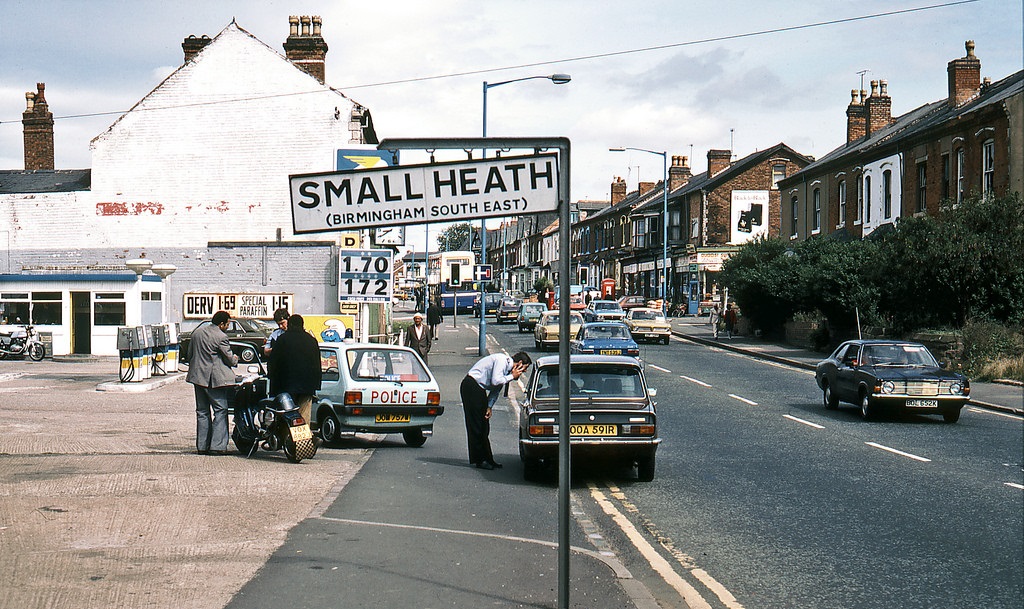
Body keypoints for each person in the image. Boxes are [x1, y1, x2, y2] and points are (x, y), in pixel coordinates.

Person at [460, 351, 532, 470]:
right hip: (471, 386)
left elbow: (495, 390)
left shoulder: (507, 370)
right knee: (476, 425)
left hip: (479, 389)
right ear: (519, 363)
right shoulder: (502, 360)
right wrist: (511, 377)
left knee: (484, 426)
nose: (524, 371)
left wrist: (489, 406)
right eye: (524, 368)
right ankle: (480, 460)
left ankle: (488, 458)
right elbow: (495, 381)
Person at [185, 311, 238, 455]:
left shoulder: (197, 332)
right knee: (221, 410)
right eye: (227, 324)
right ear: (221, 324)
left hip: (197, 377)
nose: (227, 327)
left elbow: (189, 354)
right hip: (213, 380)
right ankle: (217, 446)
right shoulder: (221, 337)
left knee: (202, 411)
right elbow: (229, 359)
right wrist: (236, 358)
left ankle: (202, 446)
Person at [267, 314, 322, 425]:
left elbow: (273, 362)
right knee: (304, 416)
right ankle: (304, 438)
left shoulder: (282, 339)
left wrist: (271, 378)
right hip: (307, 387)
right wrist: (316, 385)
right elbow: (317, 364)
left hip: (285, 386)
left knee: (286, 415)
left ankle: (286, 438)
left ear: (290, 324)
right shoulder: (311, 340)